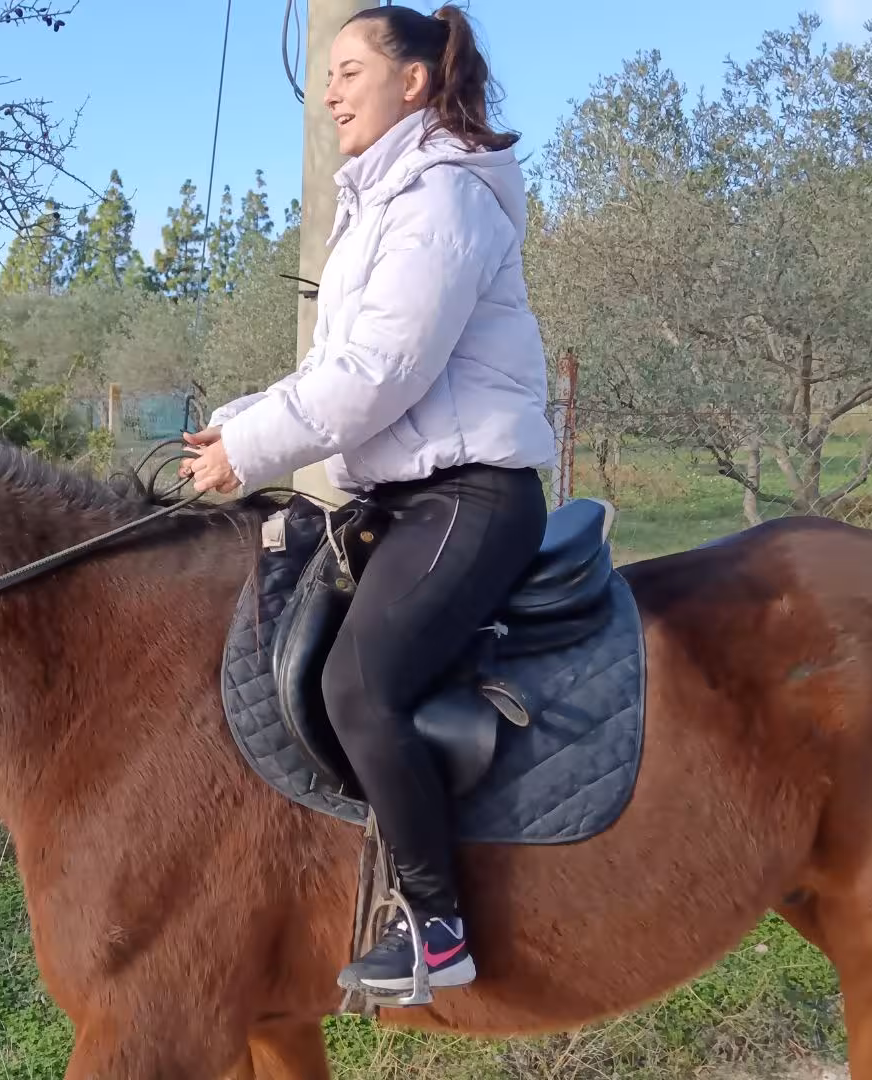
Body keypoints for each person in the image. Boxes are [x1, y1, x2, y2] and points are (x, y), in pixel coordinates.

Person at [180, 4, 556, 997]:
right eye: (328, 73)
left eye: (350, 70)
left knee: (358, 684)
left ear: (417, 82)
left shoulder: (442, 200)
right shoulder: (385, 202)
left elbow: (381, 372)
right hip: (407, 498)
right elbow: (341, 365)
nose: (331, 90)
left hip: (469, 495)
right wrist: (237, 425)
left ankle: (439, 931)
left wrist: (249, 449)